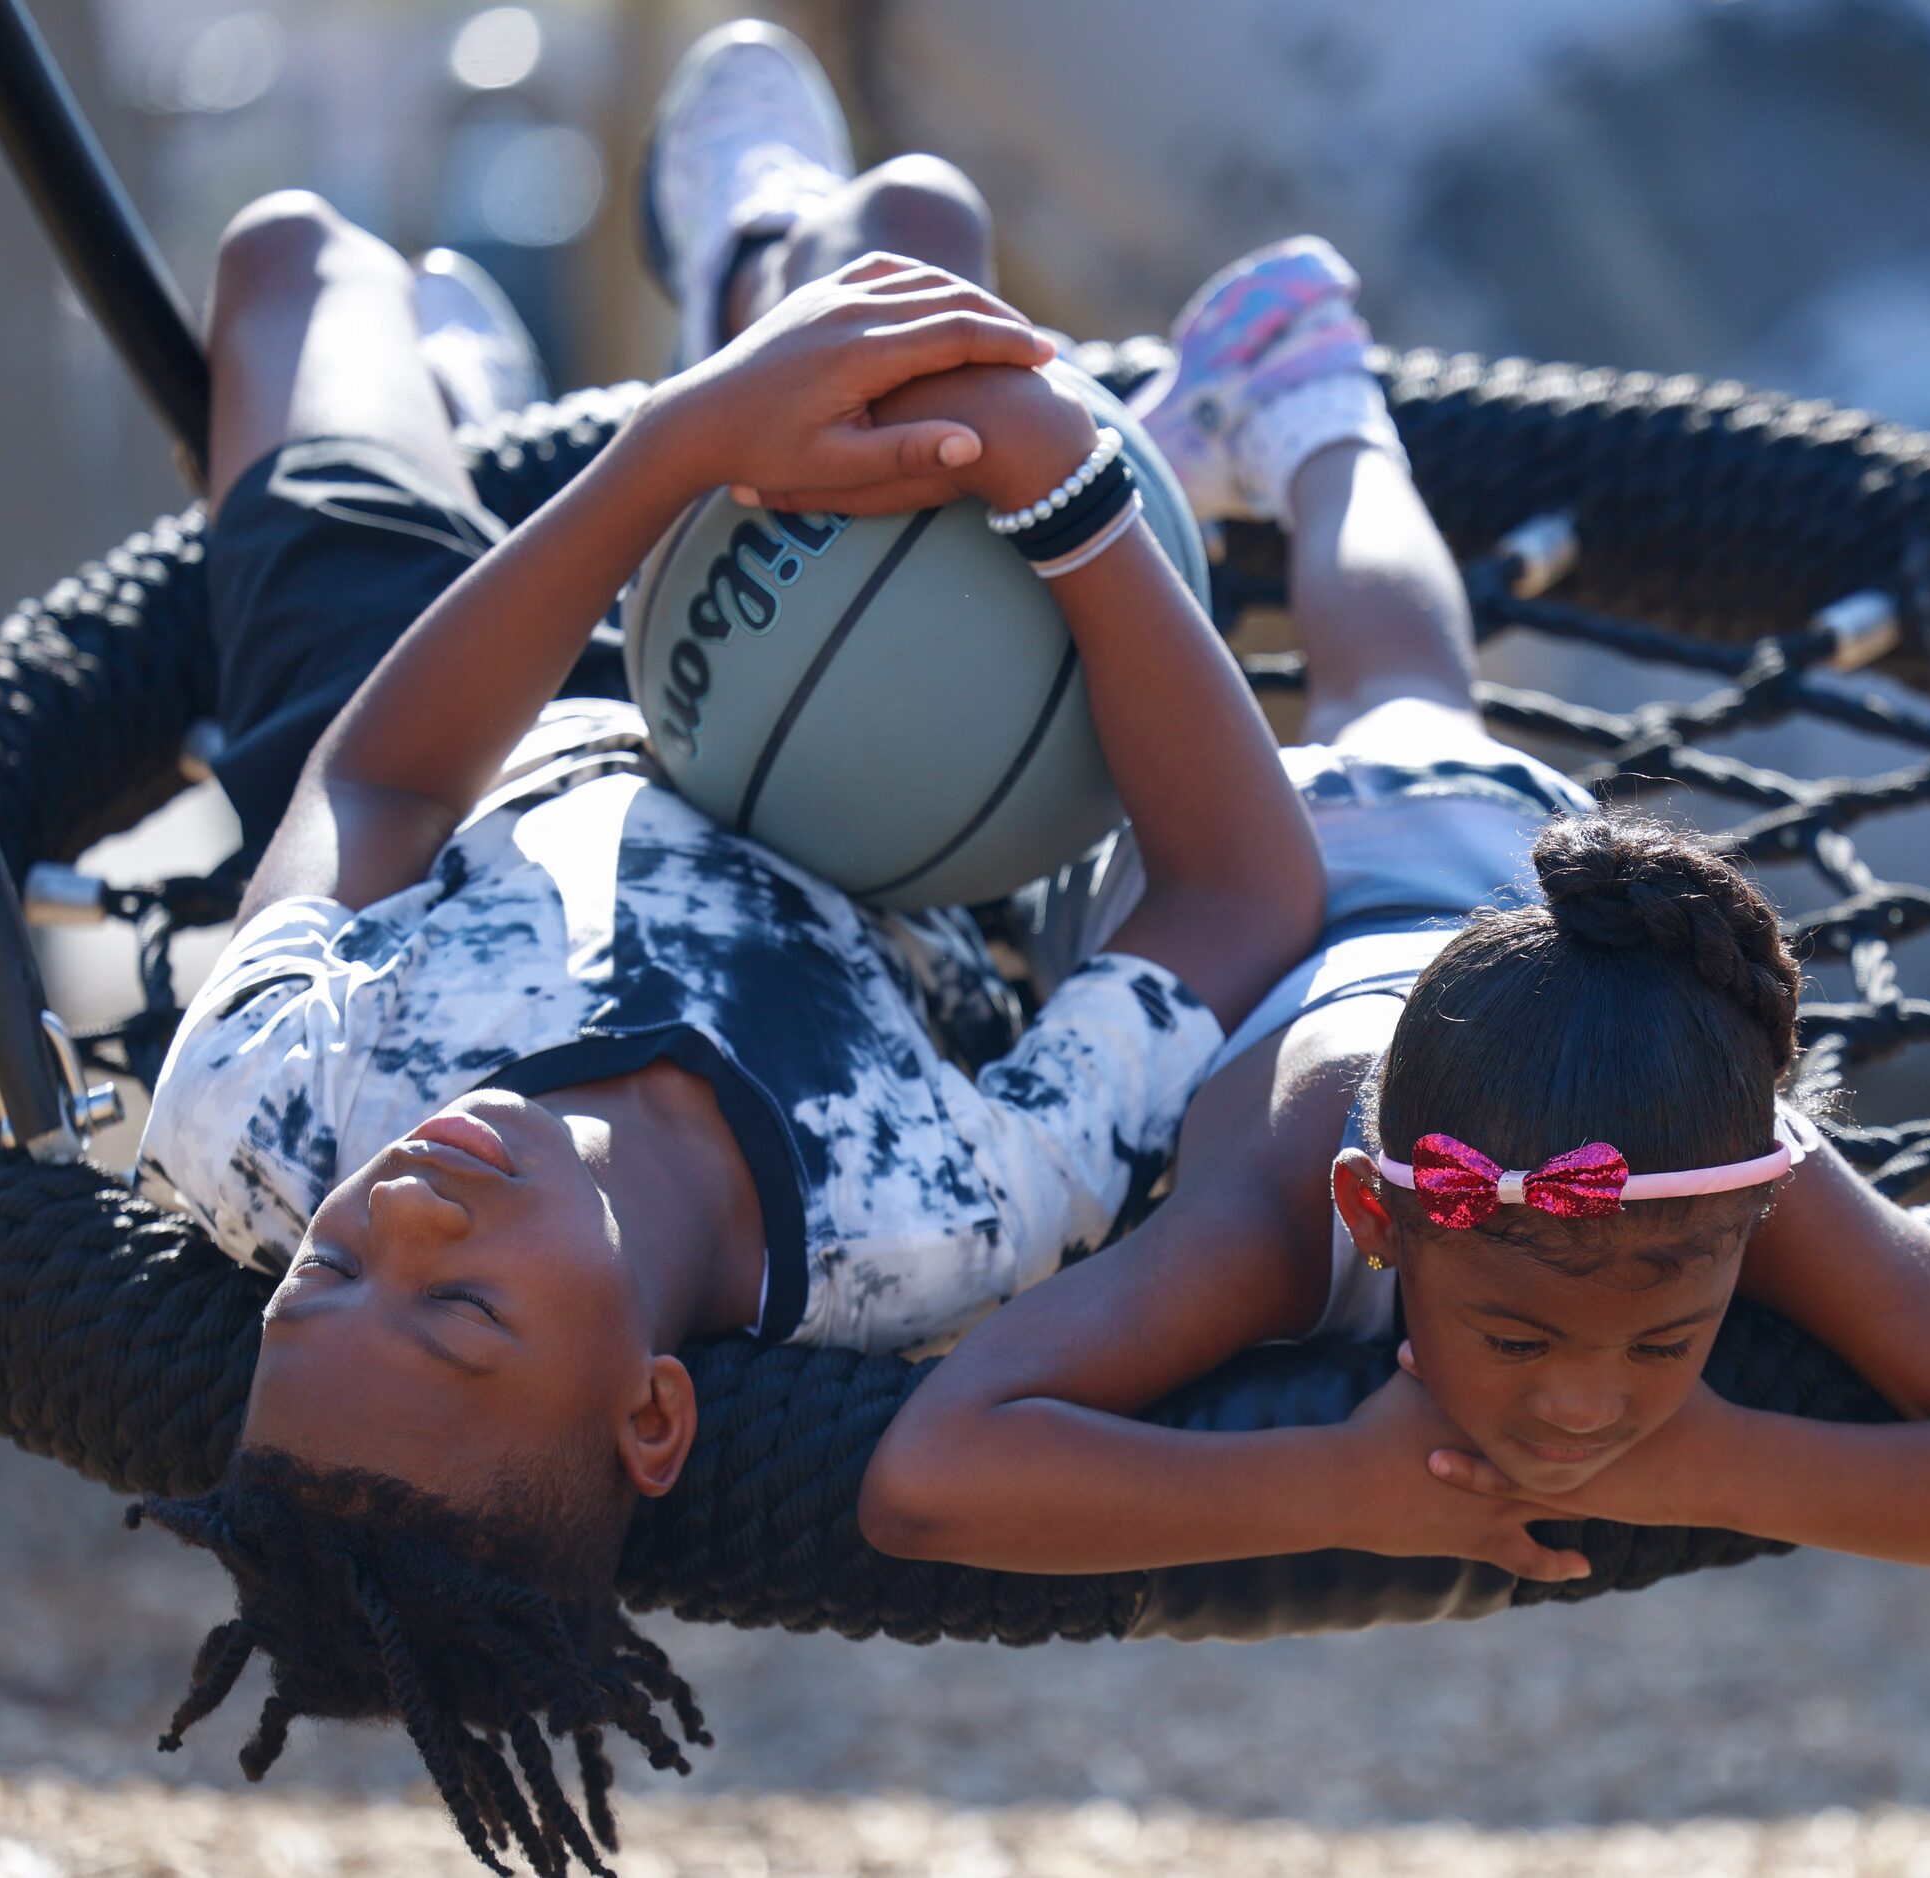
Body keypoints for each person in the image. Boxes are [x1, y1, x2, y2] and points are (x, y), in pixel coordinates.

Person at [124, 22, 1321, 1876]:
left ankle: (654, 338)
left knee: (295, 257)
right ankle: (758, 261)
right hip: (860, 792)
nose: (400, 1217)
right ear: (655, 1413)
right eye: (461, 1310)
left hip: (468, 760)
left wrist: (667, 453)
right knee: (922, 242)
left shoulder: (264, 1119)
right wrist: (1065, 492)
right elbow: (1241, 896)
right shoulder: (921, 1217)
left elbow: (381, 773)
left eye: (323, 1281)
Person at [856, 236, 1930, 1587]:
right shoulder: (1280, 1201)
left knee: (1408, 682)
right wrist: (1334, 1484)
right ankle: (1115, 470)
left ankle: (1316, 412)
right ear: (1381, 1218)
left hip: (1480, 844)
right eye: (1520, 1336)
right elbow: (929, 1475)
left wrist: (1705, 1456)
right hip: (1229, 902)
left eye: (1664, 1341)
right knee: (1104, 755)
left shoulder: (1716, 1145)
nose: (1586, 1405)